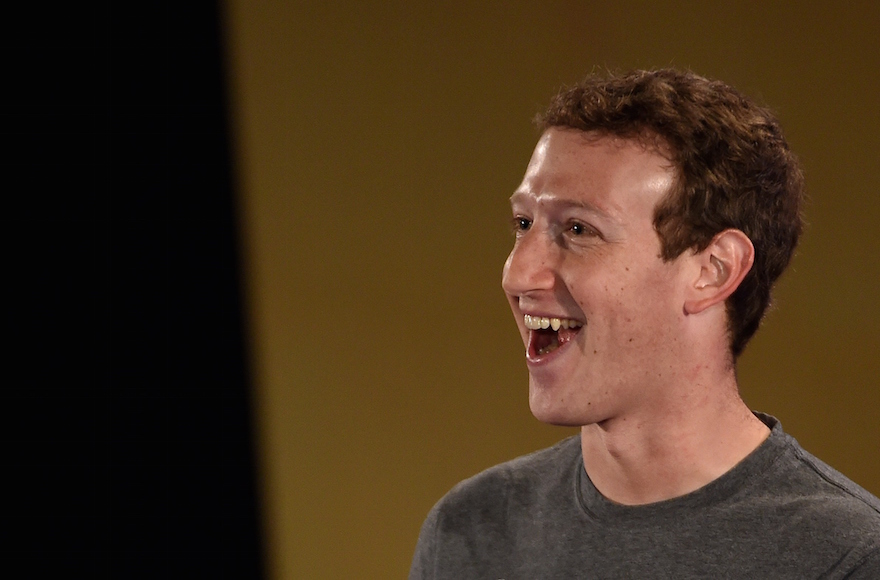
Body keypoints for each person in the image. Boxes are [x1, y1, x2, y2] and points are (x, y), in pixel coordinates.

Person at [409, 68, 880, 579]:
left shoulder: (846, 557)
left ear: (712, 270)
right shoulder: (471, 533)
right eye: (523, 224)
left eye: (578, 229)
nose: (517, 274)